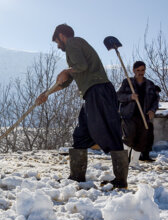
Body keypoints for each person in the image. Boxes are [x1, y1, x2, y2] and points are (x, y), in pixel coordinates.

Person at [36, 24, 128, 188]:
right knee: (81, 134)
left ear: (62, 36)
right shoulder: (74, 50)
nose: (58, 46)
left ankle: (120, 180)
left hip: (98, 91)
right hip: (91, 94)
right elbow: (66, 80)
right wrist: (46, 94)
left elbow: (81, 67)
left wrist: (67, 70)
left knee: (108, 132)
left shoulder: (73, 43)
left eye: (57, 41)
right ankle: (77, 176)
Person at [117, 61, 160, 163]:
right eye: (138, 70)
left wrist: (152, 110)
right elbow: (118, 96)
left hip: (144, 116)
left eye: (143, 70)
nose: (141, 72)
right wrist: (130, 97)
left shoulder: (150, 84)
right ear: (133, 70)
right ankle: (123, 161)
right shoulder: (127, 82)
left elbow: (155, 99)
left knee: (141, 139)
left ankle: (134, 162)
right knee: (129, 137)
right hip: (129, 115)